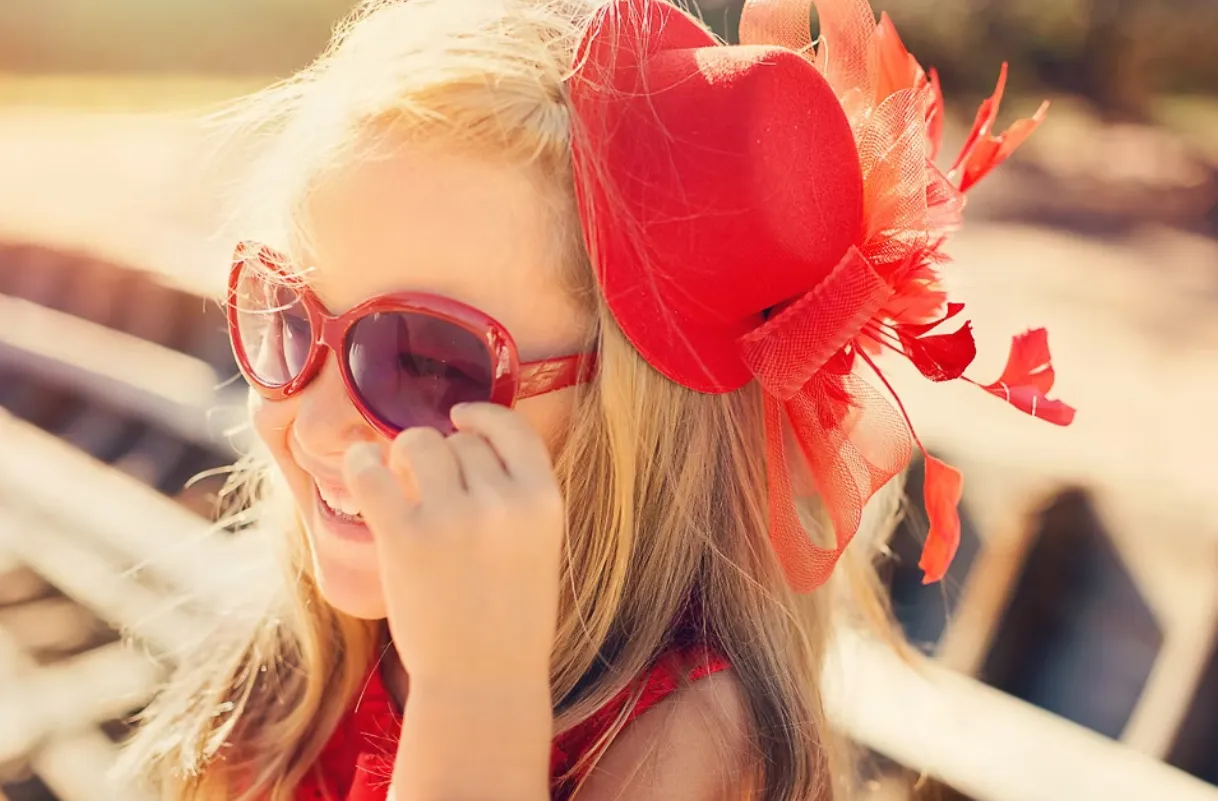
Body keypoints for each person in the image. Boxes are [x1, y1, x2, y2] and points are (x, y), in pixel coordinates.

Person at [118, 0, 1073, 799]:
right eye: (286, 313)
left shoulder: (691, 741)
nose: (319, 424)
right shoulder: (310, 658)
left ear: (629, 418)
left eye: (424, 365)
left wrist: (473, 696)